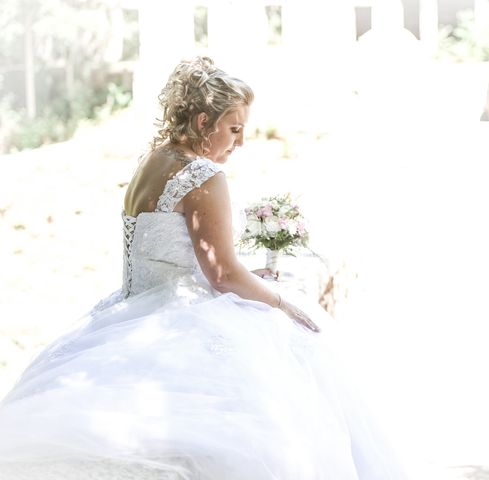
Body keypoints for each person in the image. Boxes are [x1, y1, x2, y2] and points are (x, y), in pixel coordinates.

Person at [0, 56, 409, 479]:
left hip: (128, 308)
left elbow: (179, 255)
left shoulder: (153, 161)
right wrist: (281, 302)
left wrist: (246, 274)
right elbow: (223, 275)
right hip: (178, 313)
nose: (241, 142)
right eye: (234, 130)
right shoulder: (203, 174)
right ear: (201, 121)